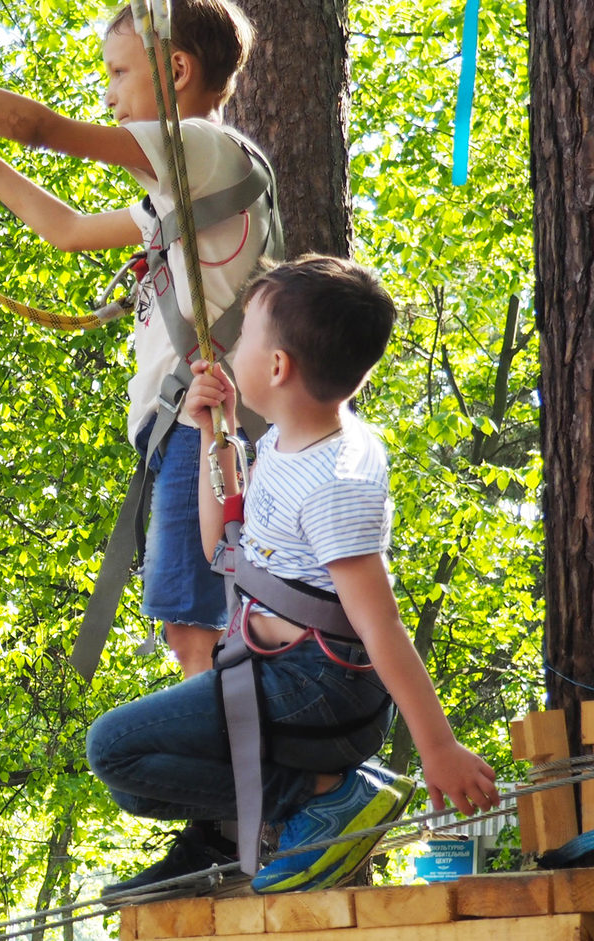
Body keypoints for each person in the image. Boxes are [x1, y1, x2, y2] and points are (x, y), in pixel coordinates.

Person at [0, 0, 277, 680]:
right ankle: (247, 766)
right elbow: (73, 230)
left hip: (201, 426)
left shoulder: (199, 147)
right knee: (199, 621)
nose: (107, 93)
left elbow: (40, 127)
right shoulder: (193, 185)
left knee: (192, 629)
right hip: (194, 425)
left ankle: (231, 777)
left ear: (175, 70)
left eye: (118, 72)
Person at [85, 255, 501, 896]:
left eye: (245, 334)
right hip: (281, 670)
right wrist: (211, 435)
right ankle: (267, 818)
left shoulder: (339, 479)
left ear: (278, 367)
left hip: (323, 684)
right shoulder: (285, 441)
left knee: (114, 748)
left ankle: (329, 796)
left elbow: (380, 623)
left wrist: (437, 746)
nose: (232, 347)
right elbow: (222, 548)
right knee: (132, 785)